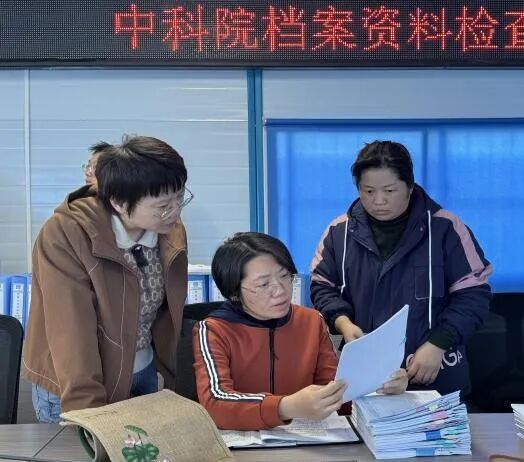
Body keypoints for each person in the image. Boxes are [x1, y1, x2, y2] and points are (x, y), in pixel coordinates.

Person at [23, 135, 192, 423]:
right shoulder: (66, 233)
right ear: (120, 203)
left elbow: (168, 313)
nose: (175, 212)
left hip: (143, 371)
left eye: (180, 198)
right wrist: (87, 411)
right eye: (163, 205)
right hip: (76, 380)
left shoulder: (169, 229)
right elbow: (70, 328)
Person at [310, 140, 492, 397]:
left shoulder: (445, 228)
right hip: (366, 376)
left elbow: (473, 295)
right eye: (368, 191)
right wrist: (344, 323)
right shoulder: (339, 232)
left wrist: (438, 343)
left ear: (409, 186)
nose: (379, 201)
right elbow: (322, 286)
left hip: (434, 372)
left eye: (390, 190)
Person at [193, 232, 408, 431]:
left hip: (309, 442)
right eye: (264, 284)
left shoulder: (311, 321)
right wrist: (286, 407)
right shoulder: (214, 330)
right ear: (234, 293)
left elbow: (336, 390)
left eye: (285, 276)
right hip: (240, 446)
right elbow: (215, 402)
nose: (280, 290)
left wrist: (379, 385)